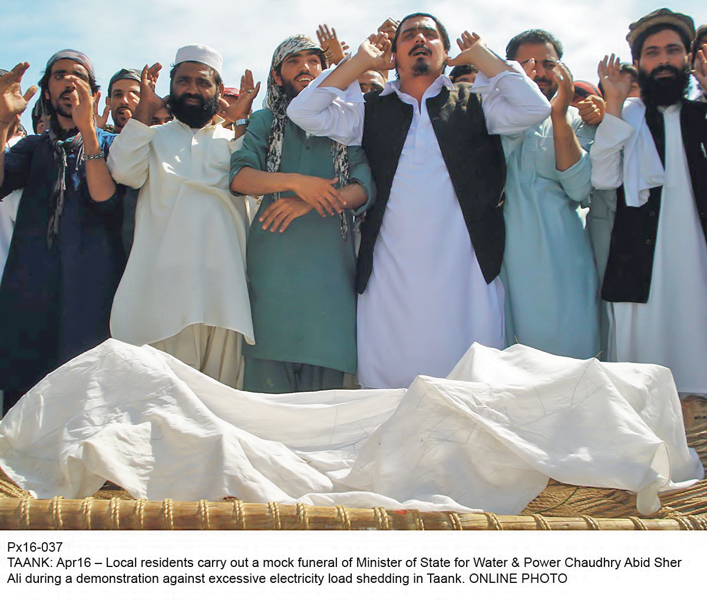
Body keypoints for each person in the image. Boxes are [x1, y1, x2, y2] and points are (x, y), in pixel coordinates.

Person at [288, 13, 551, 388]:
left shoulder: (476, 103)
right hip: (390, 273)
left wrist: (482, 56)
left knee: (469, 385)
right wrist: (359, 62)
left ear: (447, 52)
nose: (420, 39)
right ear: (394, 55)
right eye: (409, 35)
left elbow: (534, 108)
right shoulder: (370, 108)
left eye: (430, 34)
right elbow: (302, 111)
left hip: (466, 271)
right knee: (390, 389)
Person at [107, 44, 259, 388]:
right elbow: (124, 172)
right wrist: (144, 111)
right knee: (162, 407)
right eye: (183, 81)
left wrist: (241, 123)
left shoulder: (233, 141)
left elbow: (255, 190)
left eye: (203, 83)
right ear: (170, 88)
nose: (192, 89)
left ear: (218, 91)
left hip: (226, 296)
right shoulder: (151, 137)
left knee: (220, 408)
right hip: (163, 296)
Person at [230, 35, 374, 393]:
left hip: (330, 279)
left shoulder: (345, 123)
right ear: (277, 77)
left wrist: (313, 201)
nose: (306, 67)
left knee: (323, 410)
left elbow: (364, 186)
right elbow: (241, 177)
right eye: (293, 62)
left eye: (313, 60)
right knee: (265, 406)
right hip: (272, 276)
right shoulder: (266, 121)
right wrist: (296, 182)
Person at [0, 52, 126, 414]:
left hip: (92, 288)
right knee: (23, 394)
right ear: (46, 91)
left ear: (93, 92)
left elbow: (104, 200)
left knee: (84, 393)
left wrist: (88, 131)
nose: (69, 82)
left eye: (79, 76)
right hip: (32, 285)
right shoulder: (34, 147)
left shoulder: (112, 144)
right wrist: (3, 122)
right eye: (59, 76)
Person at [590, 8, 707, 396]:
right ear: (638, 63)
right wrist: (614, 105)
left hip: (698, 265)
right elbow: (604, 177)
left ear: (688, 58)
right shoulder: (630, 116)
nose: (663, 61)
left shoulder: (701, 113)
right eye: (652, 53)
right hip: (643, 270)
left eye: (672, 50)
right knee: (645, 384)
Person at [500, 29, 600, 359]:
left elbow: (579, 187)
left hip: (564, 263)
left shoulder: (578, 121)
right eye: (527, 63)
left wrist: (558, 117)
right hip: (506, 264)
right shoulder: (490, 119)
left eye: (548, 63)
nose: (539, 73)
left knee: (572, 368)